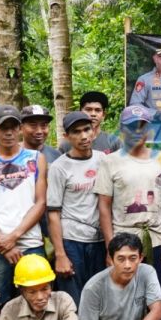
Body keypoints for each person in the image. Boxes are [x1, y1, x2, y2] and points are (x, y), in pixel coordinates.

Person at [97, 104, 161, 312]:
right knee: (127, 298)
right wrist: (110, 246)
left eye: (142, 126)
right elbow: (104, 207)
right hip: (125, 239)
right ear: (122, 130)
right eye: (131, 127)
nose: (137, 132)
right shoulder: (110, 162)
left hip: (157, 237)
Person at [0, 105, 48, 309]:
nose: (8, 132)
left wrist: (13, 237)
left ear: (20, 128)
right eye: (3, 127)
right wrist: (2, 242)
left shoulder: (36, 159)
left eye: (13, 127)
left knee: (37, 299)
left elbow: (40, 202)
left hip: (29, 241)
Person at [47, 111, 106, 304]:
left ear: (94, 131)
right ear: (67, 136)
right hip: (72, 241)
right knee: (74, 300)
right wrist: (60, 254)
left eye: (86, 129)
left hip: (99, 240)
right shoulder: (59, 167)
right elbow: (53, 213)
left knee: (98, 298)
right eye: (76, 132)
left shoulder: (103, 160)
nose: (83, 136)